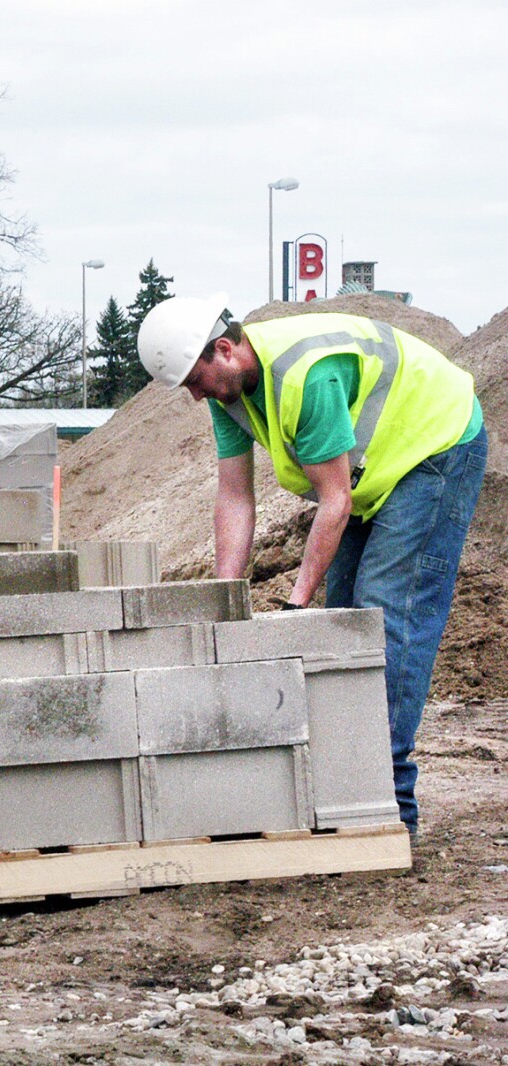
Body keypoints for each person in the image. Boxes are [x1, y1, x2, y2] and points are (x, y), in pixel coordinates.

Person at [137, 296, 488, 839]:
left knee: (383, 615)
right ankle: (343, 791)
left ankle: (390, 809)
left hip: (435, 446)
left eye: (195, 379)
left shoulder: (305, 377)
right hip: (378, 469)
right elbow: (234, 497)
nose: (195, 393)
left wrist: (295, 602)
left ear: (224, 350)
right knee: (342, 617)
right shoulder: (228, 395)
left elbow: (334, 502)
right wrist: (225, 600)